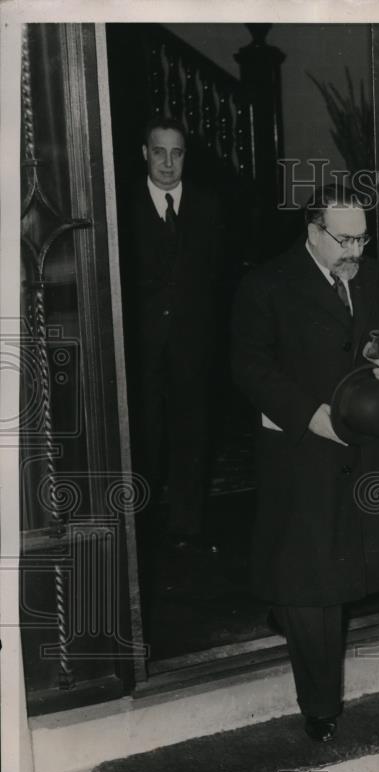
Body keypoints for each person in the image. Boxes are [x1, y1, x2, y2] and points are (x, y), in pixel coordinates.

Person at [230, 185, 379, 743]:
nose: (355, 251)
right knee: (311, 580)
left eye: (362, 238)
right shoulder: (266, 284)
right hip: (302, 448)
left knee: (343, 568)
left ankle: (287, 609)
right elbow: (249, 365)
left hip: (367, 449)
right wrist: (307, 415)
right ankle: (321, 705)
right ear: (313, 232)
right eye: (344, 240)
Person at [122, 115, 224, 551]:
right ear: (145, 154)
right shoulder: (122, 206)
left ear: (186, 157)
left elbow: (219, 277)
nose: (167, 163)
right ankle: (140, 531)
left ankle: (187, 527)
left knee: (191, 432)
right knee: (143, 436)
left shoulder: (209, 206)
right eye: (159, 152)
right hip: (139, 346)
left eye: (176, 153)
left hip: (192, 344)